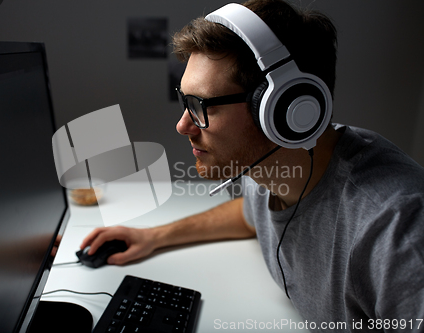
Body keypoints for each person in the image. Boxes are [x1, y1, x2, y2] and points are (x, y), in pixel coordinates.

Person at [81, 0, 424, 330]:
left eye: (200, 105)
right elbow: (249, 215)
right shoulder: (268, 169)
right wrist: (153, 236)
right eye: (184, 101)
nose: (183, 125)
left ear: (283, 109)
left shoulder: (397, 230)